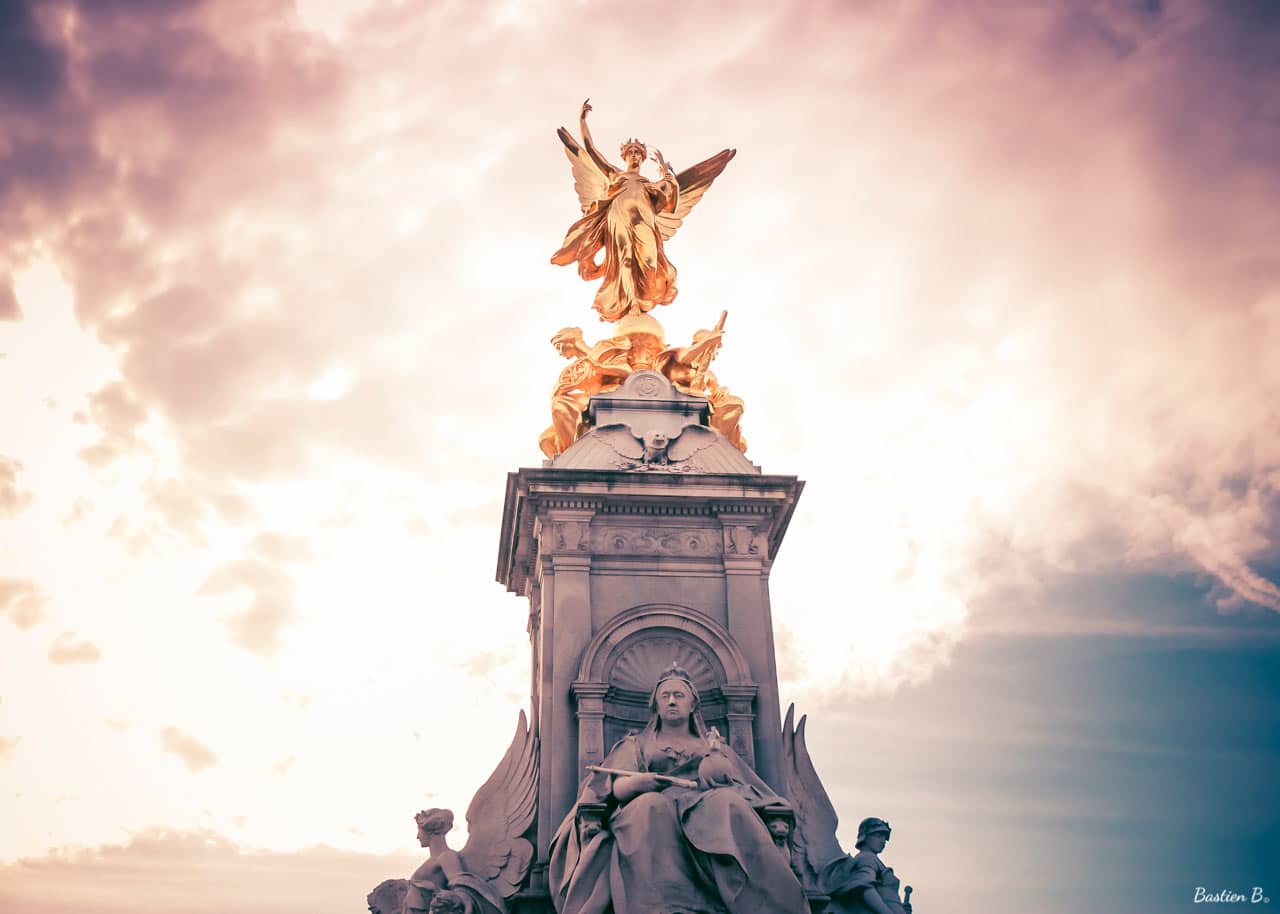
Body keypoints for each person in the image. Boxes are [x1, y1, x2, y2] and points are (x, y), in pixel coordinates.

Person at [548, 665, 808, 914]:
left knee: (728, 803)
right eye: (665, 696)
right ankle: (665, 908)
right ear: (656, 705)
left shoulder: (713, 745)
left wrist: (715, 763)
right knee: (652, 807)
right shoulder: (636, 744)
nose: (671, 701)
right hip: (648, 806)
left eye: (678, 695)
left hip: (704, 806)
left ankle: (764, 903)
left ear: (693, 704)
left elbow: (741, 785)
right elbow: (609, 786)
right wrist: (636, 784)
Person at [552, 100, 734, 323]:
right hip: (618, 220)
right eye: (631, 152)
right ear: (625, 156)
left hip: (644, 224)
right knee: (624, 260)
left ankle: (643, 297)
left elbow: (671, 206)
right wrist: (582, 122)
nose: (635, 156)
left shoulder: (650, 185)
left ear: (643, 157)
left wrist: (671, 181)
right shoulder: (615, 175)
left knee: (650, 262)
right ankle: (631, 304)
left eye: (638, 153)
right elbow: (590, 151)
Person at [820, 818, 912, 914]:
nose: (883, 841)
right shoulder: (867, 858)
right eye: (878, 835)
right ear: (865, 837)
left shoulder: (872, 859)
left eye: (884, 837)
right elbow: (864, 888)